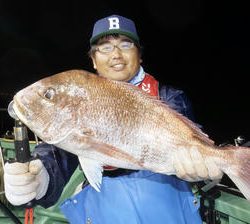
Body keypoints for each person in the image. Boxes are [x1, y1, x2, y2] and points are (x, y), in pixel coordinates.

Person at [4, 15, 223, 224]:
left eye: (126, 44)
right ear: (94, 60)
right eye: (105, 47)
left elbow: (188, 144)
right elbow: (59, 152)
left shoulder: (168, 97)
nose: (116, 54)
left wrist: (203, 166)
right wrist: (40, 178)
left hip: (168, 207)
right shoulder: (83, 99)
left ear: (140, 54)